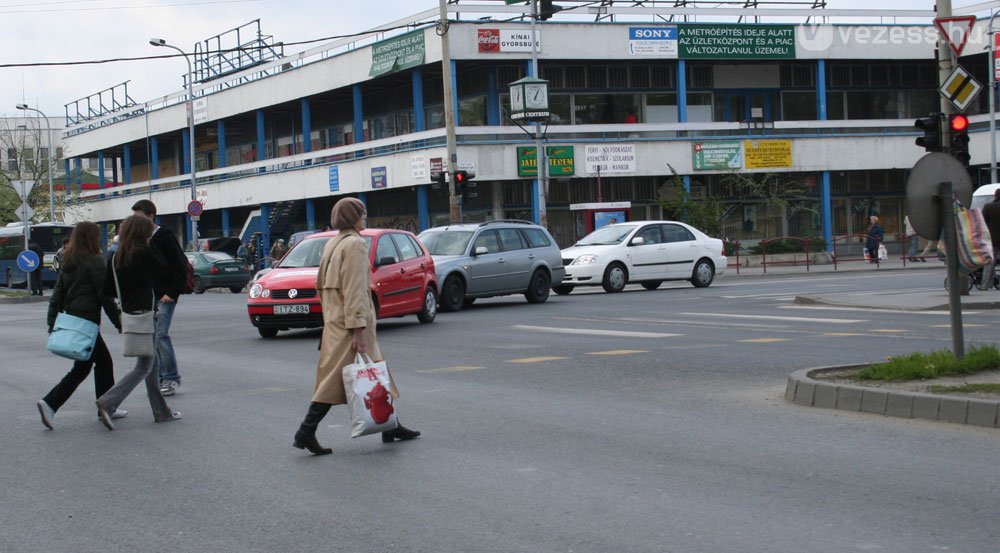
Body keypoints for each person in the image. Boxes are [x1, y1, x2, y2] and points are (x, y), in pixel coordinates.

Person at [292, 198, 419, 455]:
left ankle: (390, 425)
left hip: (336, 322)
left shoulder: (332, 243)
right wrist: (358, 329)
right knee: (336, 383)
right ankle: (306, 430)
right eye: (362, 214)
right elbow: (356, 290)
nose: (365, 218)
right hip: (351, 325)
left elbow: (322, 286)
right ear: (354, 218)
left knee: (375, 373)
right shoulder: (355, 245)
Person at [37, 222, 126, 429]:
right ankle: (104, 406)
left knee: (84, 365)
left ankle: (51, 404)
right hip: (87, 320)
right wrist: (118, 321)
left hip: (73, 318)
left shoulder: (69, 260)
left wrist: (52, 322)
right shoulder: (94, 261)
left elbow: (57, 294)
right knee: (102, 363)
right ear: (91, 238)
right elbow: (104, 294)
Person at [95, 215, 181, 430]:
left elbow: (108, 289)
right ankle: (109, 401)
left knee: (151, 365)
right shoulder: (142, 252)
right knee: (144, 366)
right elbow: (163, 268)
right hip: (145, 313)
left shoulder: (116, 256)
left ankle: (161, 412)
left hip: (129, 313)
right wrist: (150, 246)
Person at [131, 200, 188, 397]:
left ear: (150, 216)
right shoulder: (138, 239)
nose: (135, 222)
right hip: (148, 296)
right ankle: (158, 378)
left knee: (161, 335)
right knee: (152, 337)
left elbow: (180, 265)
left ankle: (171, 377)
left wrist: (171, 293)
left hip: (164, 295)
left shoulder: (164, 236)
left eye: (138, 217)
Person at [980, 189, 1000, 289]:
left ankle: (986, 285)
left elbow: (982, 222)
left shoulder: (988, 207)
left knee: (989, 264)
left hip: (992, 239)